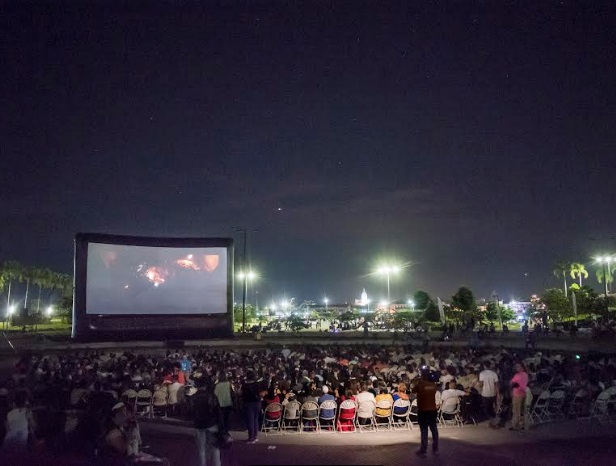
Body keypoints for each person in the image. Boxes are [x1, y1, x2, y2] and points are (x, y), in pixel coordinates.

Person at [193, 377, 223, 466]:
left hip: (199, 424)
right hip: (212, 423)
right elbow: (217, 411)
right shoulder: (211, 396)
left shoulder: (194, 397)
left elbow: (191, 411)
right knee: (215, 448)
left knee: (201, 450)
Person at [412, 368, 439, 456]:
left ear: (422, 376)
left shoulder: (420, 384)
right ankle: (435, 449)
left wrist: (417, 381)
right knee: (434, 430)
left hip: (423, 410)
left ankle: (423, 450)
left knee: (424, 430)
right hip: (432, 410)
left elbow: (413, 390)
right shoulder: (433, 385)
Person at [241, 370, 264, 444]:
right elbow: (260, 393)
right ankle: (255, 436)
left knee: (250, 421)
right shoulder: (257, 384)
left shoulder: (244, 385)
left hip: (248, 403)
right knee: (255, 420)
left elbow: (241, 394)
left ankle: (251, 438)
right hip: (257, 403)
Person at [510, 362, 529, 431]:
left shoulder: (517, 375)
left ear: (522, 367)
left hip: (517, 394)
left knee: (516, 410)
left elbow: (511, 383)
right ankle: (522, 424)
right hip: (523, 394)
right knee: (521, 410)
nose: (516, 368)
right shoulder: (526, 374)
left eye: (518, 366)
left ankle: (515, 425)